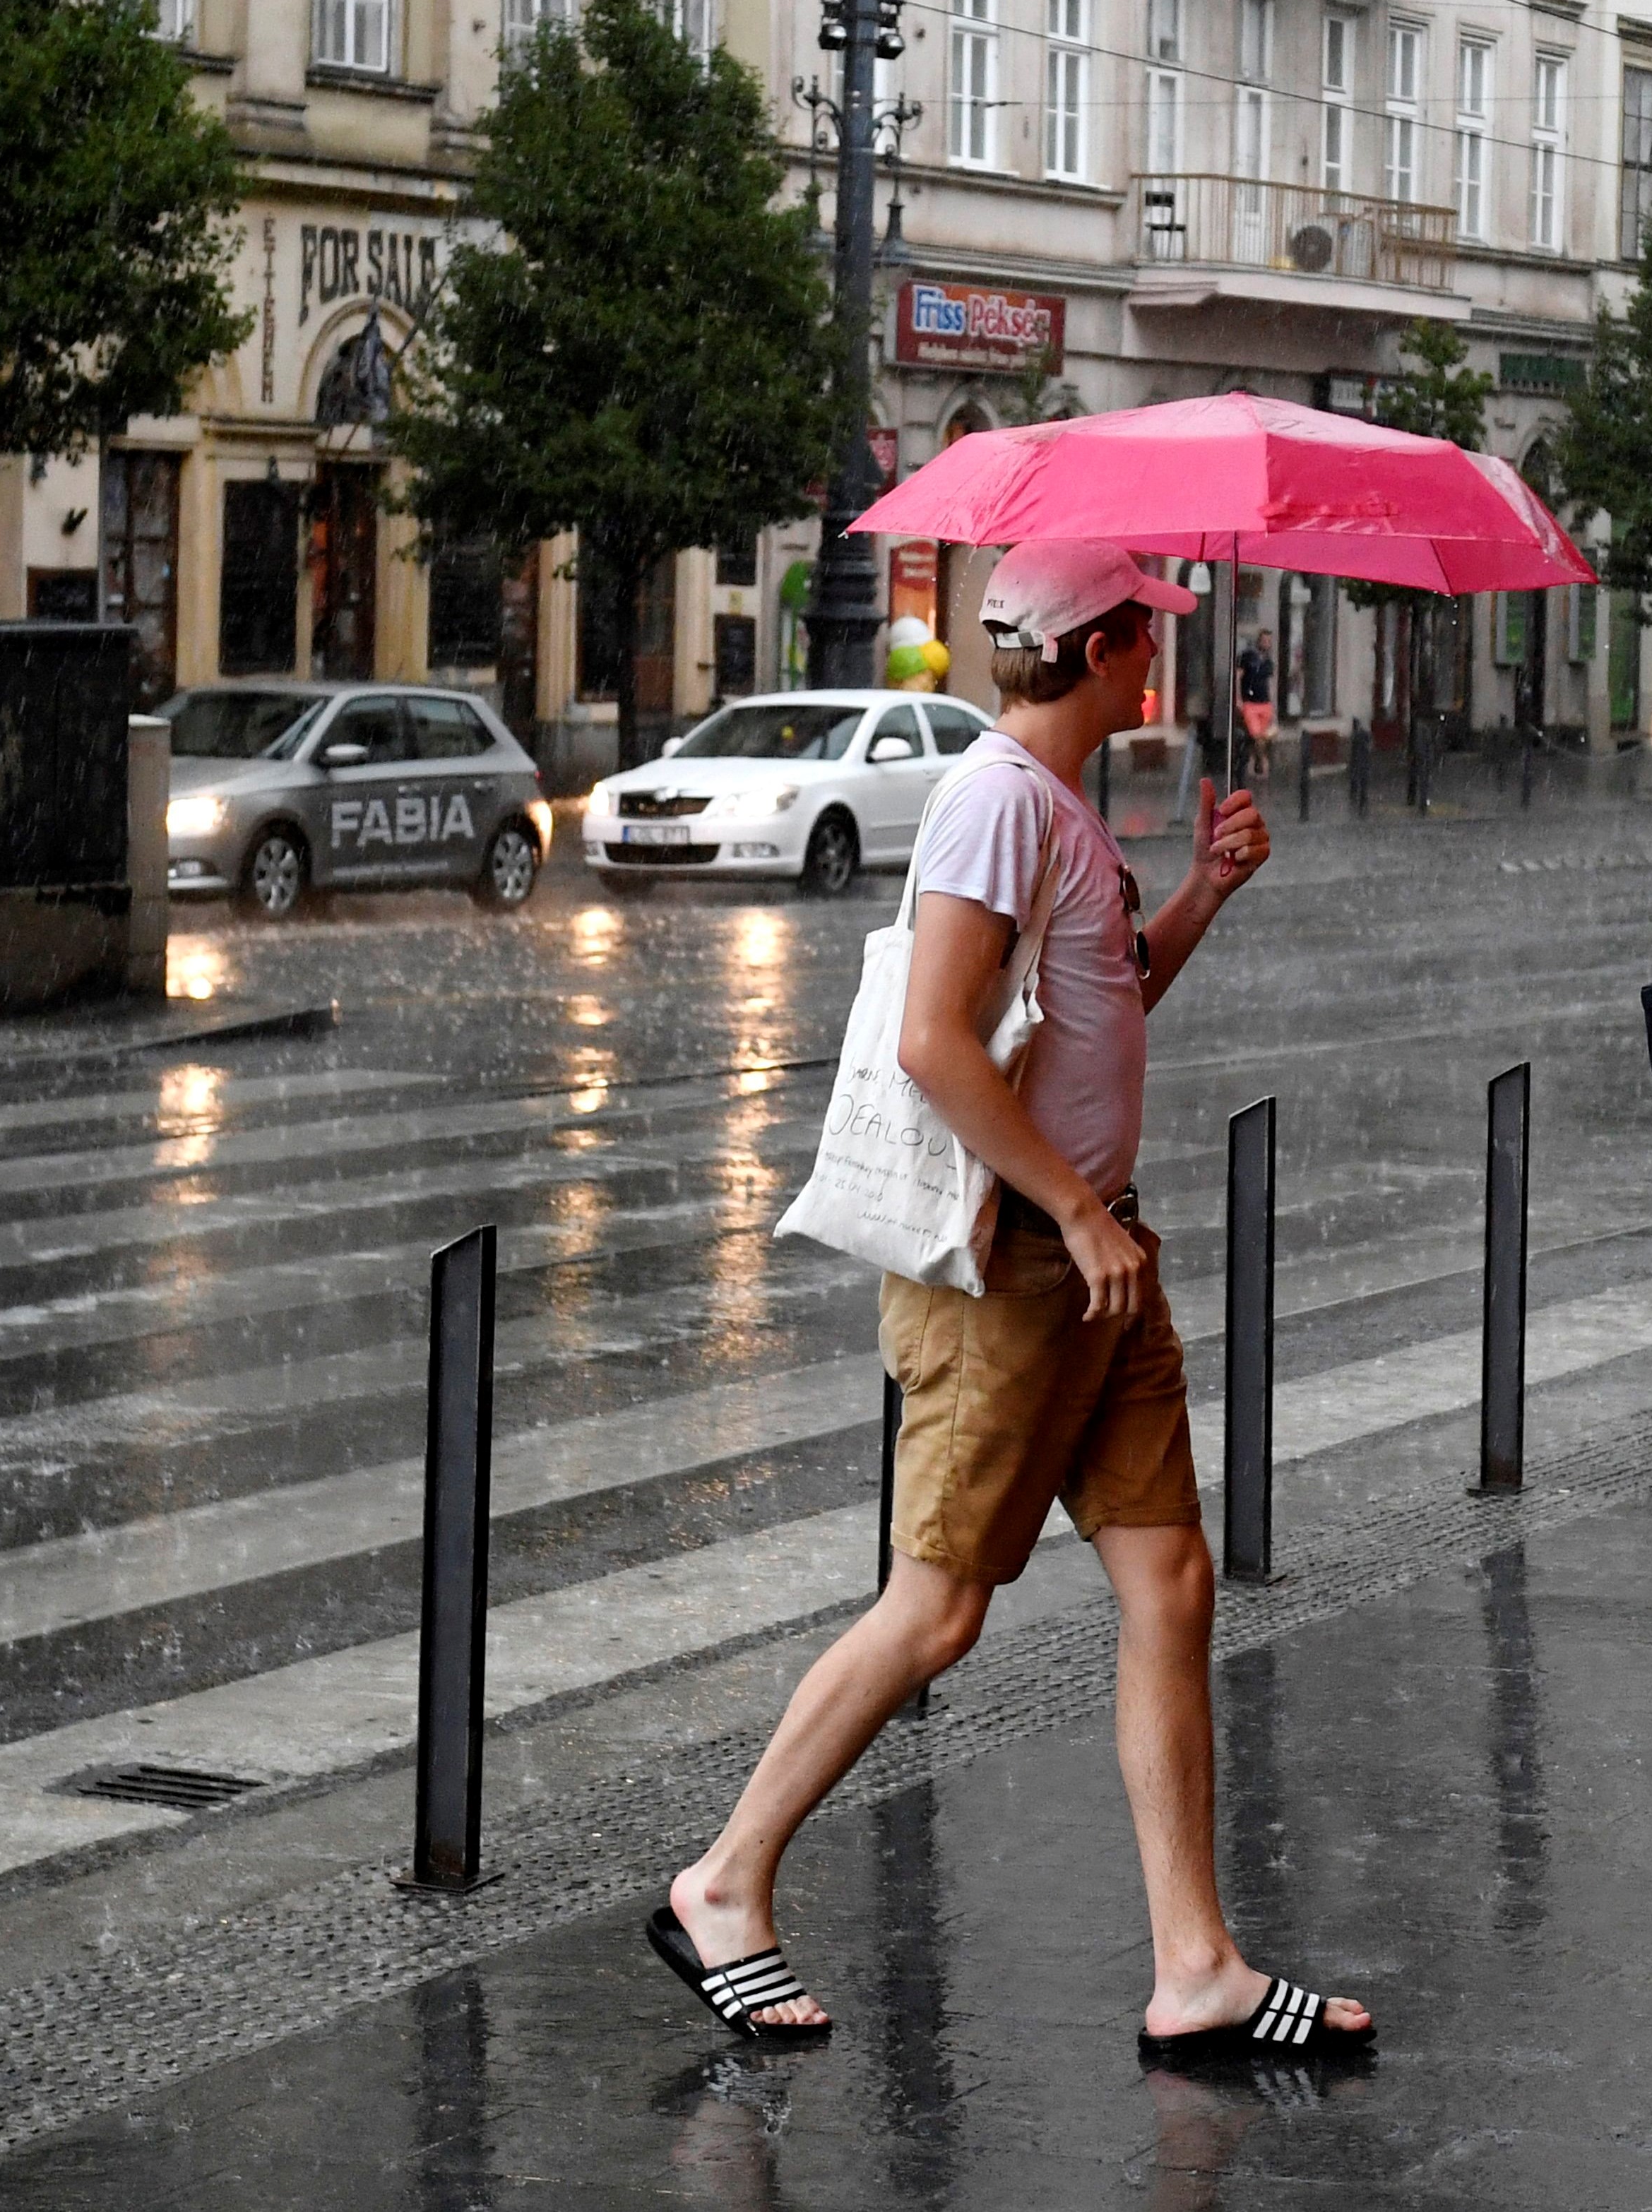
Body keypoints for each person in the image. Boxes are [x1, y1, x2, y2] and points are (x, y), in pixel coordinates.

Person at [657, 540, 1370, 2065]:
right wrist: (1063, 1207)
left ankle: (1197, 1969)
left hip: (1100, 1253)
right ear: (1100, 650)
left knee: (1170, 1588)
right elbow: (934, 1042)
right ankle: (724, 1883)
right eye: (1146, 640)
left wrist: (1203, 894)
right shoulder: (993, 800)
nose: (1160, 663)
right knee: (939, 1610)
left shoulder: (1058, 813)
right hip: (1020, 1262)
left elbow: (1098, 1013)